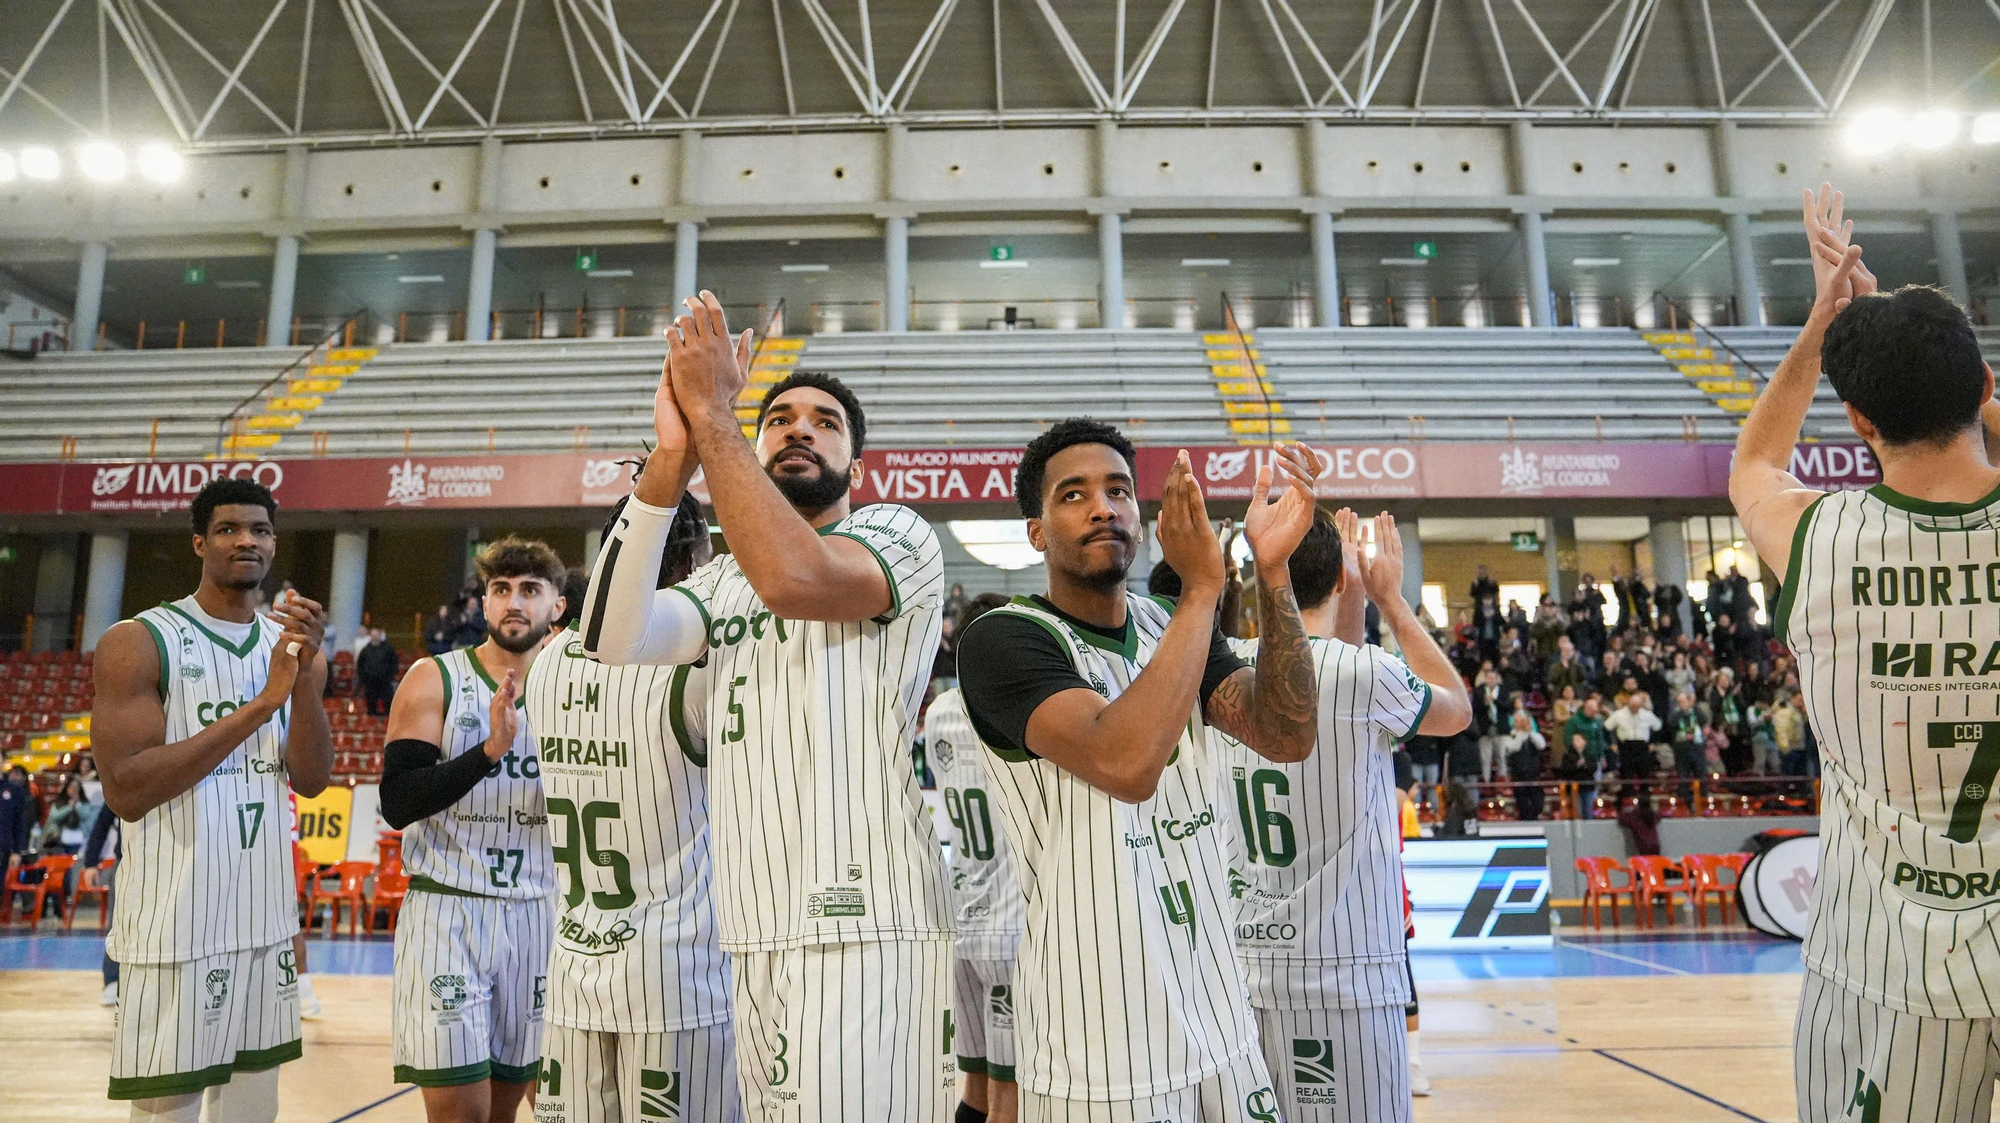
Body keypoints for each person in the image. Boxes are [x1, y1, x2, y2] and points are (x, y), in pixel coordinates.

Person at [584, 293, 956, 1118]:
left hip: (870, 922)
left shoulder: (899, 535)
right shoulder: (718, 580)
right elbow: (611, 635)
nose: (798, 428)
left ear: (857, 466)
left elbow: (801, 580)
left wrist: (716, 415)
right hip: (752, 927)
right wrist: (672, 461)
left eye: (825, 421)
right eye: (778, 417)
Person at [1724, 184, 2000, 1120]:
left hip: (1889, 967)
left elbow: (1753, 464)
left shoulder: (1818, 537)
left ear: (1859, 422)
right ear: (1985, 392)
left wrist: (1826, 324)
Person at [955, 422, 1322, 1117]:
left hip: (1218, 1015)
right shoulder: (1002, 638)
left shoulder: (1167, 624)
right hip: (1100, 1037)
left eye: (1119, 490)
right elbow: (1125, 761)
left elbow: (1285, 732)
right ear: (1036, 532)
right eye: (1074, 494)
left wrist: (1273, 573)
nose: (1104, 507)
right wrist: (1203, 587)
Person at [1216, 507, 1470, 1123]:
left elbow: (1322, 661)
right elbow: (1456, 709)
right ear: (1336, 581)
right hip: (1344, 974)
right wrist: (1390, 598)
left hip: (1238, 968)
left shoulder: (1224, 666)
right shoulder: (1367, 675)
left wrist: (1350, 592)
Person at [90, 476, 332, 1118]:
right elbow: (127, 790)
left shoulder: (290, 651)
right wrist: (261, 706)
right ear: (200, 543)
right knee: (167, 1110)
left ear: (275, 545)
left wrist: (305, 681)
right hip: (175, 923)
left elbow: (310, 780)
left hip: (263, 920)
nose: (245, 540)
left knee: (254, 1112)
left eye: (259, 530)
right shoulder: (139, 640)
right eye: (228, 529)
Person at [527, 494, 742, 1123]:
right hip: (680, 972)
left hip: (574, 960)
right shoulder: (694, 663)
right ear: (698, 555)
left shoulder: (550, 662)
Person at [379, 537, 567, 1121]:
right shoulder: (433, 678)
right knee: (461, 1114)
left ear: (557, 607)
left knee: (516, 1110)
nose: (515, 602)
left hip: (541, 912)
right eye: (501, 589)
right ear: (483, 605)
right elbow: (398, 800)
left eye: (530, 590)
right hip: (449, 911)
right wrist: (488, 751)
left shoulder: (577, 689)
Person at [924, 592, 1021, 1123]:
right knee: (1011, 1096)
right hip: (1011, 925)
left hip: (960, 918)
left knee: (976, 1089)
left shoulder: (940, 712)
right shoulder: (1015, 711)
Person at [82, 801, 123, 1006]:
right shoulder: (127, 780)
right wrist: (90, 863)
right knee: (118, 923)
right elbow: (102, 823)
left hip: (172, 861)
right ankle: (113, 980)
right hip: (127, 861)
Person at [1604, 692, 1663, 780]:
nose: (1634, 707)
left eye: (1637, 705)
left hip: (1642, 745)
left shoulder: (1647, 714)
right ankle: (1627, 791)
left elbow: (1658, 727)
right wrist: (1612, 743)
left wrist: (1653, 742)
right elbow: (1607, 727)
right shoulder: (1619, 714)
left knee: (1643, 770)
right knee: (1626, 770)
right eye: (1632, 705)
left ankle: (1644, 791)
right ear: (1628, 703)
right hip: (1625, 745)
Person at [356, 627, 400, 717]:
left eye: (376, 635)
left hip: (385, 682)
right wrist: (364, 679)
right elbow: (360, 666)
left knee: (388, 706)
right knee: (371, 707)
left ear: (380, 636)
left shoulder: (388, 649)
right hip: (370, 683)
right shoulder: (365, 650)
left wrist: (390, 677)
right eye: (373, 635)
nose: (375, 637)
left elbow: (394, 663)